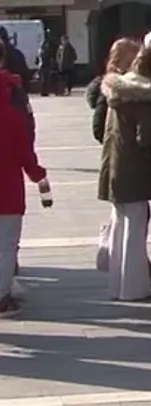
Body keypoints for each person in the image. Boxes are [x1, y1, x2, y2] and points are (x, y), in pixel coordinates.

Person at [98, 47, 151, 302]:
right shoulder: (144, 96)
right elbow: (146, 137)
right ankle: (135, 288)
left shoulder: (117, 91)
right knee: (134, 231)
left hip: (114, 167)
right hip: (135, 170)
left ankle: (117, 285)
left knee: (119, 227)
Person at [0, 37, 45, 318]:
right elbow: (24, 148)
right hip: (7, 187)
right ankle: (2, 298)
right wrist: (38, 176)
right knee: (6, 245)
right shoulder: (11, 107)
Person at [37, 32, 57, 97]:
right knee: (44, 80)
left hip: (43, 66)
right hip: (44, 66)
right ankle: (44, 92)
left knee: (45, 80)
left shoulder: (41, 50)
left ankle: (44, 92)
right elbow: (46, 58)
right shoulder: (44, 51)